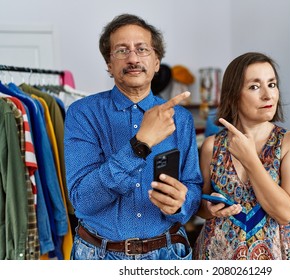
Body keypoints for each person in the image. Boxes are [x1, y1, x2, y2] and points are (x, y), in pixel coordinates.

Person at [64, 14, 202, 260]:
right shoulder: (82, 113)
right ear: (109, 63)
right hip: (99, 256)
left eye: (142, 49)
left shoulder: (180, 118)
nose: (133, 58)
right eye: (121, 50)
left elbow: (193, 186)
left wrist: (182, 203)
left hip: (169, 255)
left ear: (157, 61)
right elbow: (82, 201)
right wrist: (140, 144)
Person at [193, 52, 290, 260]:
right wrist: (210, 208)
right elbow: (201, 208)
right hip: (216, 256)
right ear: (233, 94)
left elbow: (285, 213)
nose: (268, 95)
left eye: (272, 84)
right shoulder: (212, 145)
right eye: (255, 87)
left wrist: (250, 160)